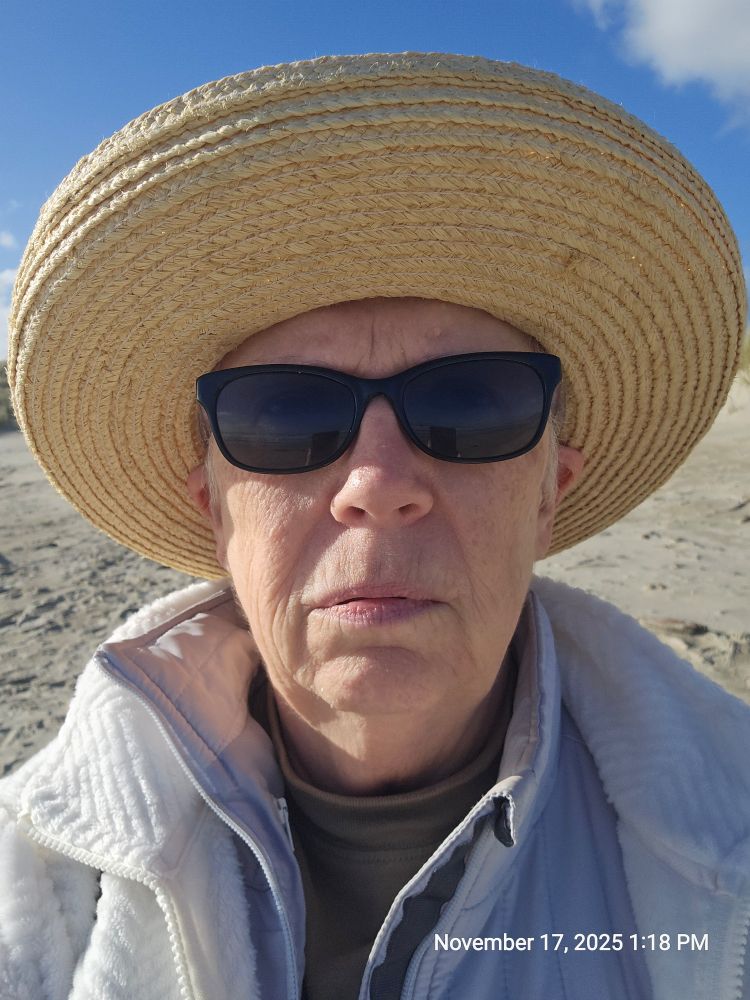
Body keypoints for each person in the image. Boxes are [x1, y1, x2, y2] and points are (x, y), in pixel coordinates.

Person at [1, 53, 748, 1000]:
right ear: (214, 510)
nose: (379, 484)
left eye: (472, 404)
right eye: (284, 415)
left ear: (552, 491)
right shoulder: (39, 876)